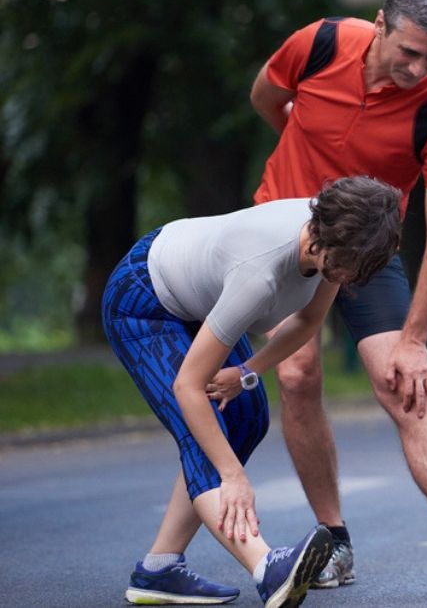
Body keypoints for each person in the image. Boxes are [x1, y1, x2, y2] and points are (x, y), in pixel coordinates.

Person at [248, 0, 427, 594]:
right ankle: (334, 543)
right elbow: (266, 96)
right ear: (379, 23)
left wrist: (415, 338)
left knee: (405, 380)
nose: (420, 66)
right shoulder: (319, 43)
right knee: (296, 376)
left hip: (372, 249)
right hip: (286, 233)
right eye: (409, 50)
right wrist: (300, 144)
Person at [102, 177, 402, 607]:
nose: (353, 278)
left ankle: (158, 569)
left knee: (247, 417)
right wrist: (233, 475)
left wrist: (246, 372)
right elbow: (188, 387)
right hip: (143, 302)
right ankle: (267, 568)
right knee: (206, 428)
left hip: (201, 299)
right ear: (327, 238)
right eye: (352, 265)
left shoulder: (341, 238)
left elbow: (307, 322)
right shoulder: (259, 273)